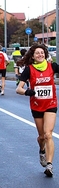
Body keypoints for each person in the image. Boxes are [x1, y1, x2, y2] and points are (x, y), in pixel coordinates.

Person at [16, 44, 59, 177]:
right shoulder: (29, 69)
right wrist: (28, 91)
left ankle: (50, 165)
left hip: (51, 103)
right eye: (37, 53)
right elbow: (19, 89)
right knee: (41, 137)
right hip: (36, 105)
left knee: (48, 134)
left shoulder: (52, 66)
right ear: (33, 56)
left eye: (42, 53)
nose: (40, 55)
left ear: (45, 54)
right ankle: (42, 150)